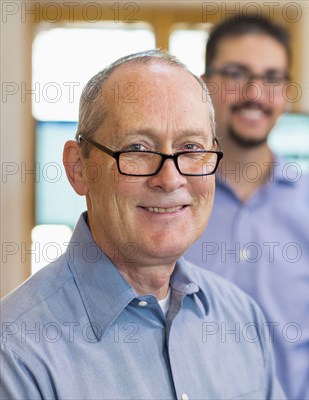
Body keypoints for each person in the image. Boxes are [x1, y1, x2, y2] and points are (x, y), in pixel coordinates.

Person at [0, 50, 285, 399]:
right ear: (78, 168)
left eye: (191, 147)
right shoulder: (15, 352)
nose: (170, 178)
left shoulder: (242, 319)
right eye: (138, 148)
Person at [184, 16, 309, 399]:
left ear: (286, 92)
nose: (255, 92)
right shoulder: (170, 200)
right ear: (205, 86)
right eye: (237, 73)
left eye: (272, 78)